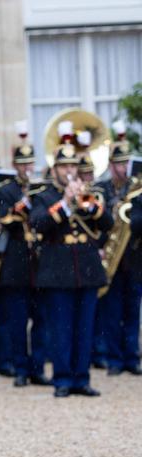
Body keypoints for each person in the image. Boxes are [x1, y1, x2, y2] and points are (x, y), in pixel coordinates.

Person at [30, 130, 112, 397]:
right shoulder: (44, 196)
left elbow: (108, 224)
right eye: (64, 166)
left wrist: (90, 206)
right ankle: (63, 379)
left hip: (86, 269)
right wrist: (65, 203)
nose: (69, 171)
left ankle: (82, 378)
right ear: (54, 169)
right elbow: (38, 224)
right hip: (58, 270)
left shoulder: (89, 193)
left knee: (85, 328)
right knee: (61, 328)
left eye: (72, 166)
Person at [0, 123, 44, 387]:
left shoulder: (41, 188)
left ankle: (38, 367)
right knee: (17, 320)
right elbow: (4, 220)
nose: (27, 168)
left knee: (41, 319)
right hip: (16, 262)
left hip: (39, 262)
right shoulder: (6, 189)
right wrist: (20, 206)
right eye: (22, 164)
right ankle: (20, 368)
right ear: (15, 165)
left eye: (29, 163)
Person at [95, 124, 140, 375]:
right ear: (111, 165)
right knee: (111, 312)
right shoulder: (102, 189)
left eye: (126, 163)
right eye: (119, 163)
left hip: (132, 258)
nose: (123, 168)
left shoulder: (137, 190)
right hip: (110, 258)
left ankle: (131, 358)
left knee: (132, 311)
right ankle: (114, 359)